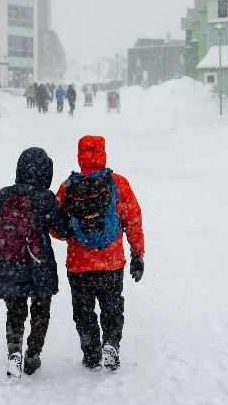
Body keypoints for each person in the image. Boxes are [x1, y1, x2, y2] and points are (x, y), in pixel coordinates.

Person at [0, 147, 71, 378]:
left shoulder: (4, 195)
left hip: (11, 263)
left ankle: (14, 351)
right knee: (40, 312)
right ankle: (33, 355)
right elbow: (62, 230)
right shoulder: (46, 197)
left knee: (15, 312)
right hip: (40, 263)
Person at [56, 135, 144, 371]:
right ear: (103, 153)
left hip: (79, 264)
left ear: (79, 155)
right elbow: (133, 220)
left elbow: (55, 227)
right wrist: (138, 255)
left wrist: (72, 233)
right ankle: (111, 344)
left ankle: (91, 352)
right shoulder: (118, 183)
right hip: (111, 262)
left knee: (83, 311)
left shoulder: (68, 187)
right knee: (112, 306)